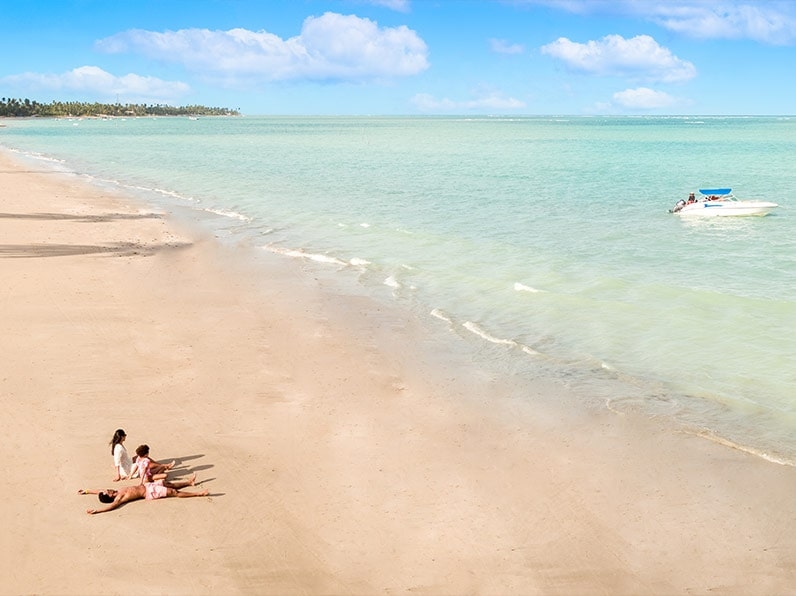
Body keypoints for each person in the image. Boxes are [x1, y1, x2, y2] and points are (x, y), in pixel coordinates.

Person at [79, 474, 208, 514]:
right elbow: (111, 507)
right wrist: (97, 511)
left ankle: (189, 482)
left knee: (169, 484)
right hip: (150, 492)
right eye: (107, 492)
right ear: (110, 496)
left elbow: (97, 490)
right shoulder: (118, 498)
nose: (107, 489)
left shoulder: (114, 491)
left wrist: (86, 491)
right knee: (173, 492)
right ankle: (198, 494)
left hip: (147, 486)